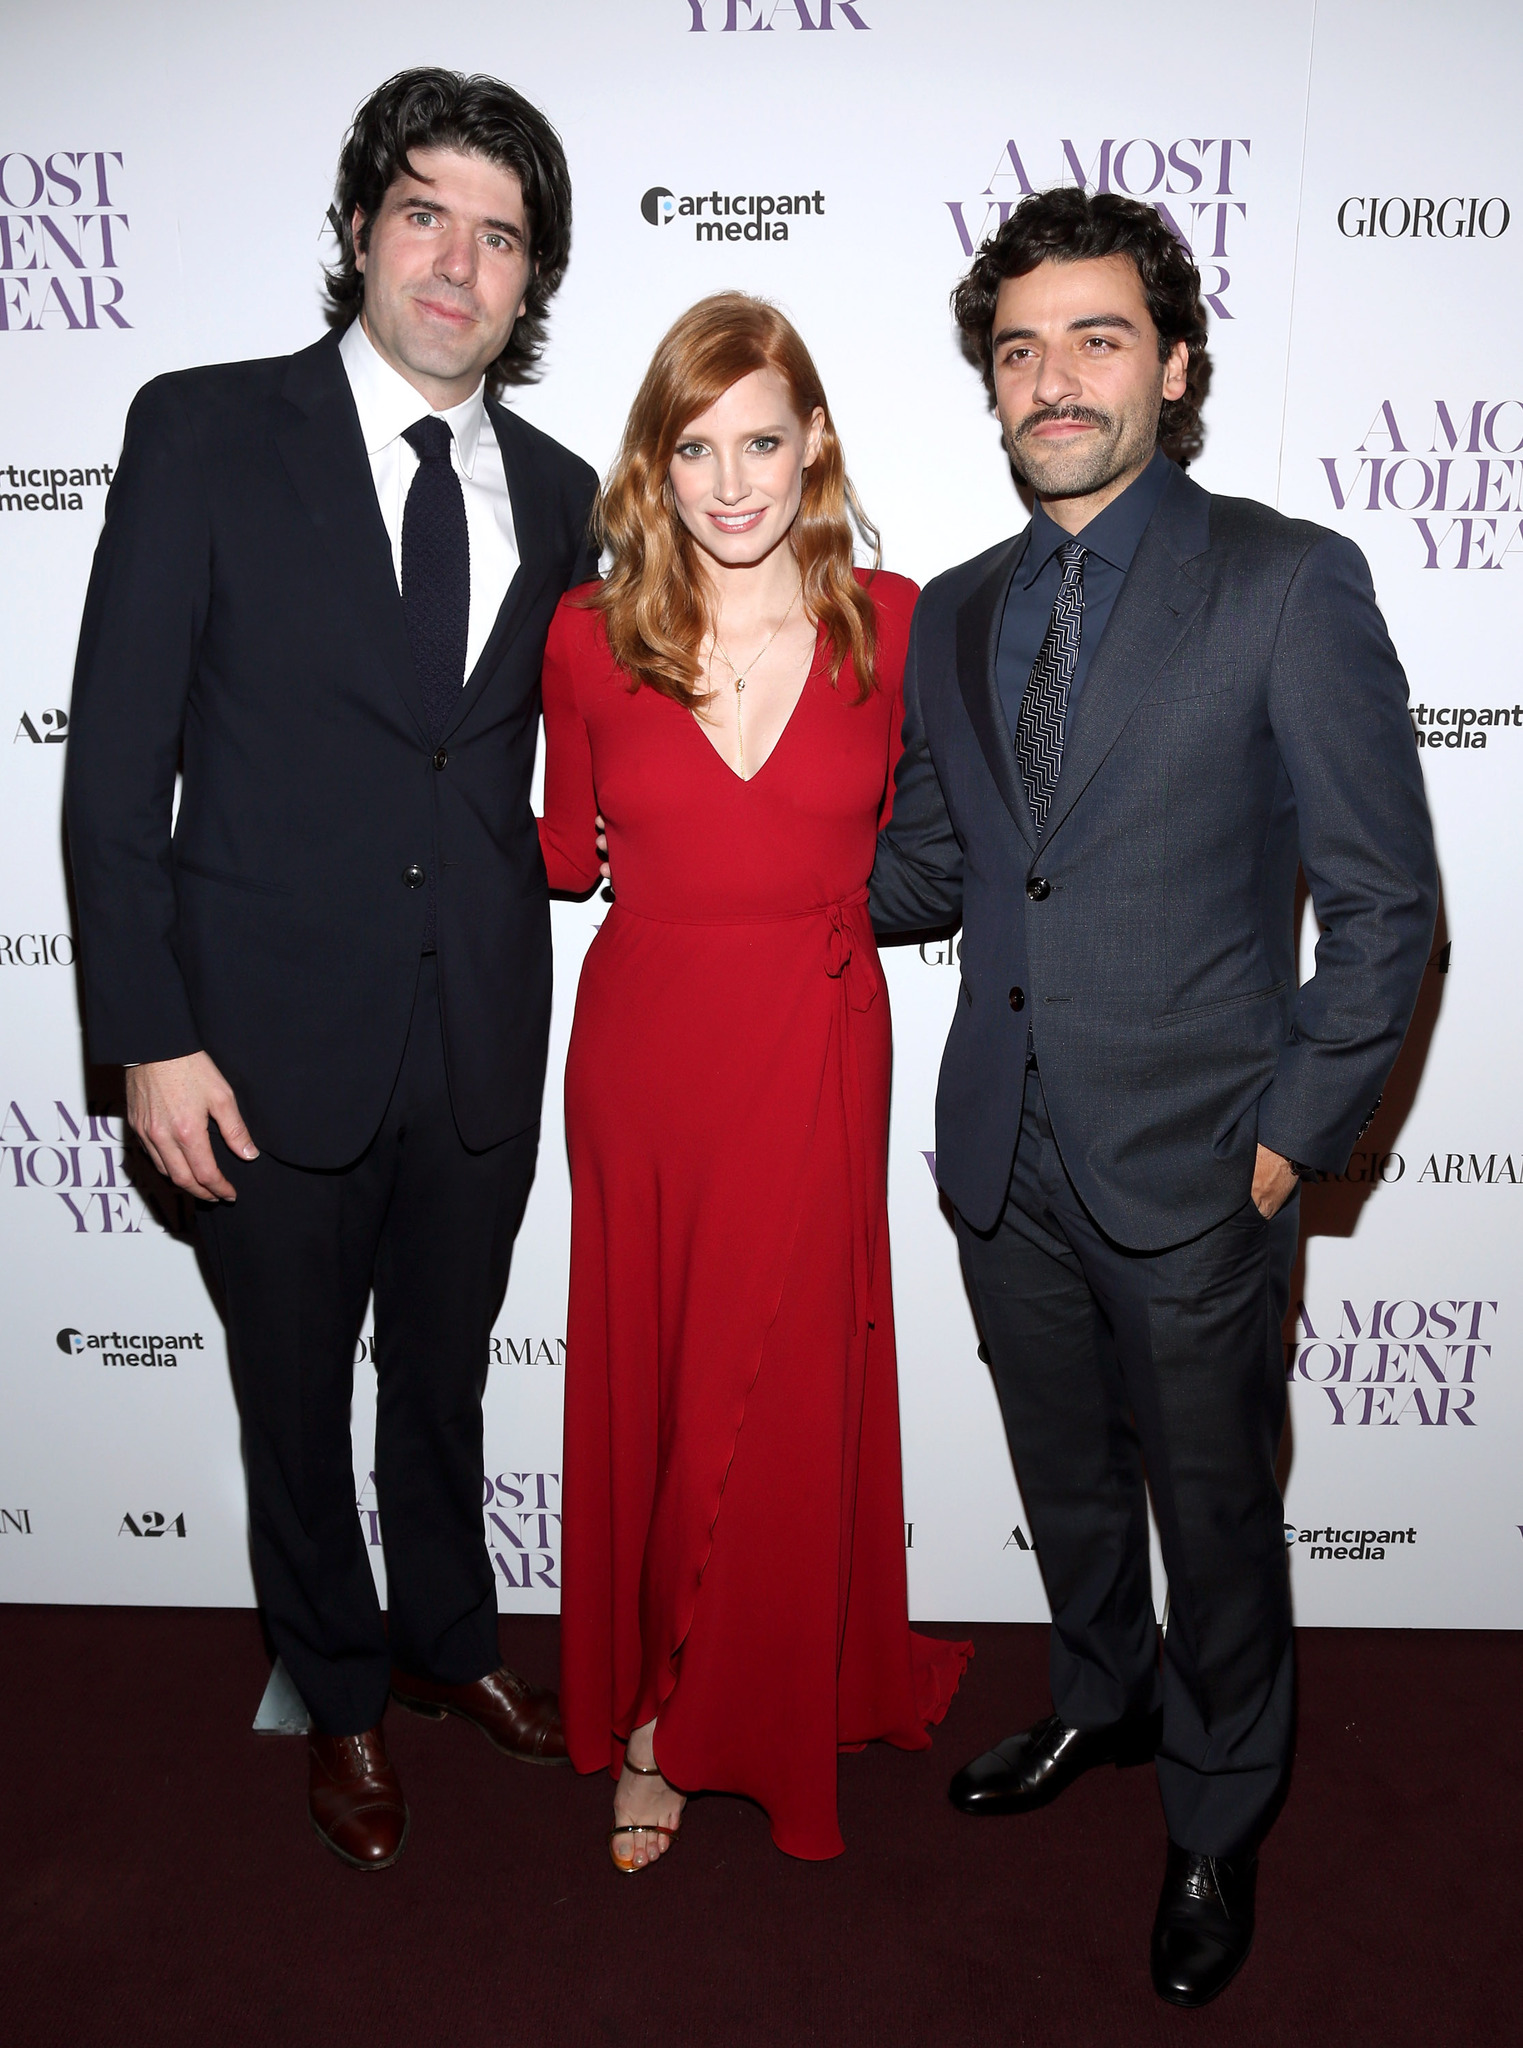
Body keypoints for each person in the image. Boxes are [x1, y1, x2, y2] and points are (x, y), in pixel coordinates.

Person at [869, 189, 1436, 2005]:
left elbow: (1386, 908)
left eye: (1096, 339)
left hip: (1203, 1164)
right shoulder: (956, 614)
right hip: (1003, 1152)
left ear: (1174, 367)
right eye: (1020, 348)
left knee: (1217, 1511)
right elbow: (932, 875)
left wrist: (1287, 1144)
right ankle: (1100, 1703)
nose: (1054, 379)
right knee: (1069, 1487)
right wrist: (722, 804)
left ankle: (1215, 1806)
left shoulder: (1283, 579)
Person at [64, 68, 599, 1871]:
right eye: (426, 213)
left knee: (441, 1377)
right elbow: (116, 765)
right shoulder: (205, 431)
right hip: (260, 1040)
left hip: (476, 1033)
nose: (459, 261)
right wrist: (147, 1032)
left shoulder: (565, 487)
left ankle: (453, 1644)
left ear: (533, 281)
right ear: (362, 229)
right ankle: (344, 1692)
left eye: (501, 234)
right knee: (292, 1396)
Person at [537, 293, 970, 1871]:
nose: (732, 483)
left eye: (763, 442)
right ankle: (653, 1720)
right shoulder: (586, 639)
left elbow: (945, 842)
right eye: (696, 445)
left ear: (815, 447)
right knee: (657, 1374)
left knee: (790, 1376)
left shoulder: (899, 620)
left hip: (818, 1026)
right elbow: (559, 852)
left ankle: (786, 1689)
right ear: (655, 461)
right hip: (649, 1052)